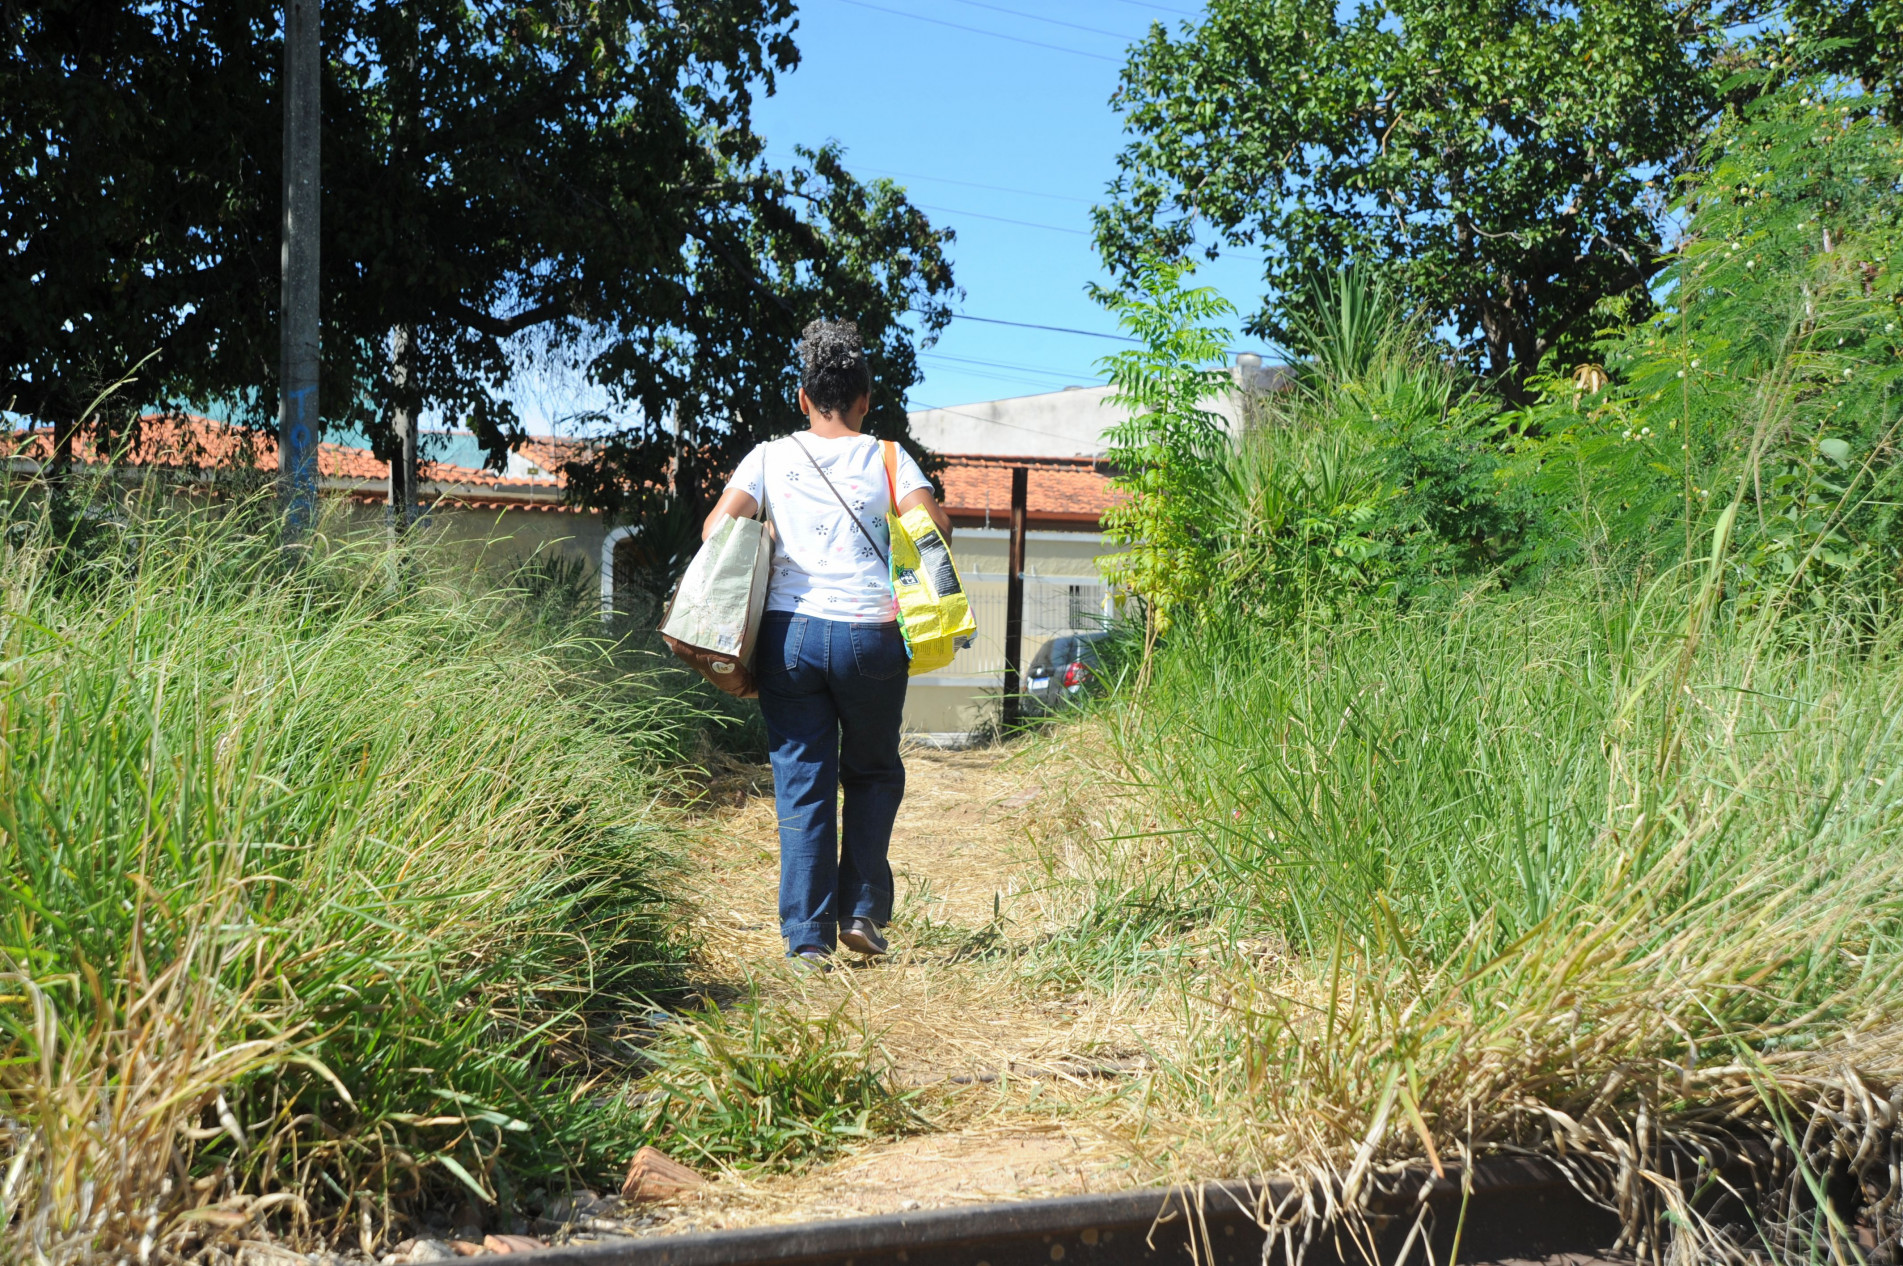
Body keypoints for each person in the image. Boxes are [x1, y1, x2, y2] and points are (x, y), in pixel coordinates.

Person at [702, 319, 954, 971]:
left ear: (801, 396)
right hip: (872, 637)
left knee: (802, 782)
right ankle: (863, 912)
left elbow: (714, 531)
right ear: (866, 400)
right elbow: (933, 527)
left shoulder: (768, 458)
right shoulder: (889, 457)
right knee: (870, 772)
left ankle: (807, 941)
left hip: (788, 638)